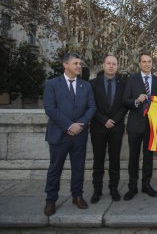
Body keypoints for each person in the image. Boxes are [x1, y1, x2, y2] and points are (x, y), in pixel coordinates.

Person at [43, 53, 96, 216]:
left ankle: (77, 196)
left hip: (79, 135)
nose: (79, 66)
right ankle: (51, 201)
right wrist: (68, 125)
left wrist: (80, 124)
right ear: (65, 65)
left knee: (78, 168)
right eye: (76, 63)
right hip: (59, 134)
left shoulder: (85, 85)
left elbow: (92, 107)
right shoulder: (52, 84)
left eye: (80, 63)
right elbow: (50, 109)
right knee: (55, 169)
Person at [122, 53, 157, 200]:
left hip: (152, 126)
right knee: (133, 157)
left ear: (152, 63)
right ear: (139, 64)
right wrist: (137, 101)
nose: (146, 64)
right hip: (135, 125)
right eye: (144, 62)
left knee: (148, 157)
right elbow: (125, 100)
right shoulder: (131, 80)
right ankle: (132, 187)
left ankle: (146, 185)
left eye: (149, 61)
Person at [89, 55, 127, 203]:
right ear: (103, 65)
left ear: (117, 66)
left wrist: (115, 120)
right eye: (108, 63)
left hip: (116, 128)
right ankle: (97, 190)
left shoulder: (123, 84)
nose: (111, 66)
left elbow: (125, 105)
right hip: (98, 127)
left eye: (114, 64)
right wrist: (104, 120)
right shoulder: (92, 84)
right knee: (98, 161)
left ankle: (113, 189)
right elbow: (91, 105)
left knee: (115, 161)